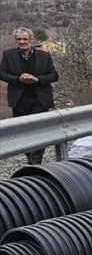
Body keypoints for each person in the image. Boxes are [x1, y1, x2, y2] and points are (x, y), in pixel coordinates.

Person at [1, 27, 59, 164]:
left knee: (40, 130)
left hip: (40, 98)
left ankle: (36, 160)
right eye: (19, 39)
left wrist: (37, 79)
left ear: (31, 40)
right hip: (19, 99)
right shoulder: (8, 55)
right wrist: (17, 79)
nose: (22, 42)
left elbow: (54, 76)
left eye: (24, 39)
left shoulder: (44, 56)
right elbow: (2, 73)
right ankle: (30, 157)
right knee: (23, 131)